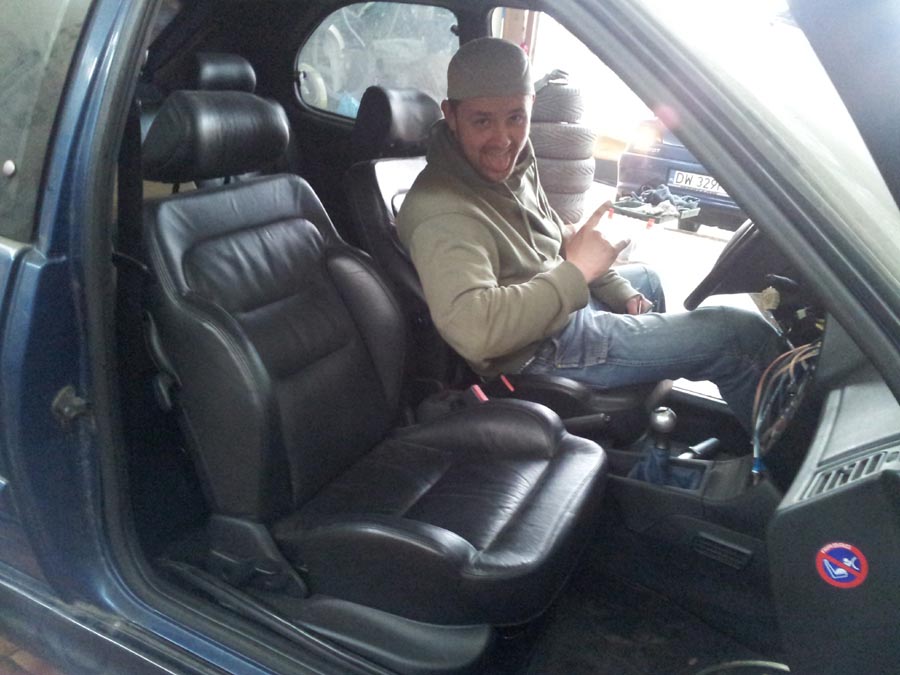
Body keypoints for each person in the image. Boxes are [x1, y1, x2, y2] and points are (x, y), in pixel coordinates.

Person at [396, 37, 781, 432]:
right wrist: (577, 274)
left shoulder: (509, 168)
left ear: (531, 107)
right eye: (482, 121)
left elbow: (553, 236)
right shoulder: (441, 211)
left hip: (551, 307)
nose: (503, 139)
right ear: (451, 115)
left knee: (646, 281)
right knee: (739, 336)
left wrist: (611, 283)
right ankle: (782, 458)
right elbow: (475, 331)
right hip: (536, 351)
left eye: (516, 117)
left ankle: (634, 430)